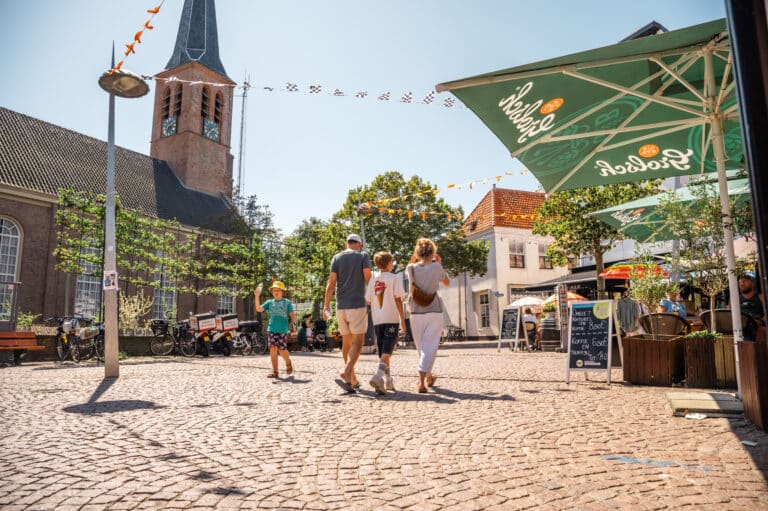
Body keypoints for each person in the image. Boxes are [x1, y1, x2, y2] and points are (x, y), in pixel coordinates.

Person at [323, 233, 372, 392]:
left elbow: (331, 284)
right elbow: (368, 279)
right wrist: (373, 299)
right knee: (358, 341)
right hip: (357, 304)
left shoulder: (336, 258)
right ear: (358, 244)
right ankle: (347, 371)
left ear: (347, 244)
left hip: (340, 306)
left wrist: (325, 306)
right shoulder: (363, 256)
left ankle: (352, 380)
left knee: (346, 342)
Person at [406, 238, 449, 393]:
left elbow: (411, 265)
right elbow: (447, 283)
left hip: (415, 312)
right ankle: (421, 380)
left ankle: (428, 376)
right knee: (430, 347)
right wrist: (438, 262)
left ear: (417, 253)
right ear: (433, 252)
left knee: (421, 348)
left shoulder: (410, 268)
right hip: (434, 311)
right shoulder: (437, 267)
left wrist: (414, 258)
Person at [365, 251, 406, 395]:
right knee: (388, 351)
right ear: (389, 263)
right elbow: (398, 300)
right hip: (391, 319)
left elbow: (368, 300)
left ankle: (388, 381)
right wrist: (403, 320)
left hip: (378, 321)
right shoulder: (394, 278)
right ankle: (377, 376)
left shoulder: (372, 280)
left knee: (384, 352)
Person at [254, 281, 296, 378]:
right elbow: (259, 309)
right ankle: (275, 371)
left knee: (282, 350)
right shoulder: (269, 302)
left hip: (282, 330)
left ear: (282, 292)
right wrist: (257, 296)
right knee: (273, 348)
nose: (275, 292)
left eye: (278, 290)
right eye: (274, 290)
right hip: (272, 329)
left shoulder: (287, 302)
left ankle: (288, 362)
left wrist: (294, 324)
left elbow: (292, 315)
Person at [739, 272, 765, 341]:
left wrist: (761, 322)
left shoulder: (760, 297)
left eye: (745, 281)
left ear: (753, 283)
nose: (742, 284)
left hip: (758, 327)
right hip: (741, 328)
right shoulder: (735, 300)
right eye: (740, 282)